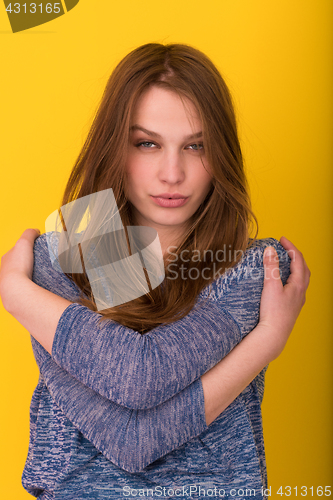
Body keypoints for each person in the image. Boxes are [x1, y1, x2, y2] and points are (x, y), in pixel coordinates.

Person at [0, 43, 310, 500]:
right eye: (147, 143)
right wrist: (267, 341)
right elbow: (132, 436)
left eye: (196, 145)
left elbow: (136, 417)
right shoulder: (63, 259)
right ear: (114, 145)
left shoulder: (254, 270)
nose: (172, 173)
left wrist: (15, 293)